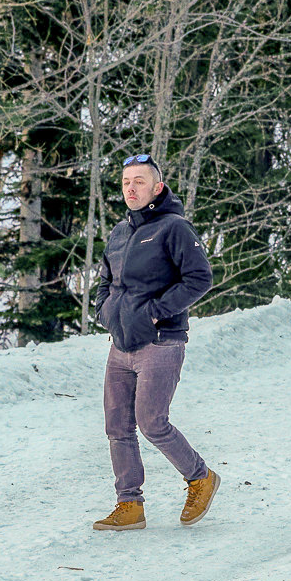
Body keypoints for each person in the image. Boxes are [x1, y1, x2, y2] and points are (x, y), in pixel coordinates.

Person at [92, 153, 219, 531]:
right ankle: (129, 504)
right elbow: (106, 281)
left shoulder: (174, 228)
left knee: (152, 422)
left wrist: (154, 313)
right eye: (126, 182)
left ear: (157, 187)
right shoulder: (120, 232)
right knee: (117, 426)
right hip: (121, 344)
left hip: (161, 342)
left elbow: (199, 278)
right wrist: (106, 312)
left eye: (139, 182)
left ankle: (200, 477)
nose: (131, 188)